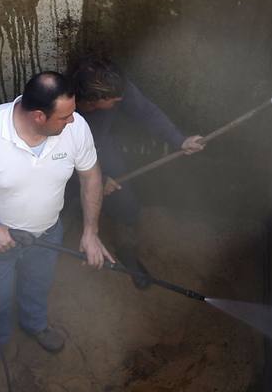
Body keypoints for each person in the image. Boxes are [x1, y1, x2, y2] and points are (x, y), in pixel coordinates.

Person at [0, 72, 111, 376]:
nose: (73, 120)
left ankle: (35, 324)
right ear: (39, 116)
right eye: (65, 116)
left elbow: (90, 175)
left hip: (47, 234)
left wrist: (90, 231)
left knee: (39, 283)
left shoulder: (75, 128)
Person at [71, 57, 205, 285]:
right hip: (64, 162)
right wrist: (96, 181)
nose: (121, 100)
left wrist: (178, 140)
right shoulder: (62, 106)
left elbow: (146, 112)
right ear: (93, 100)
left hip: (101, 148)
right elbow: (50, 159)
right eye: (114, 101)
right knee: (62, 203)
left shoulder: (116, 88)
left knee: (126, 205)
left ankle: (127, 252)